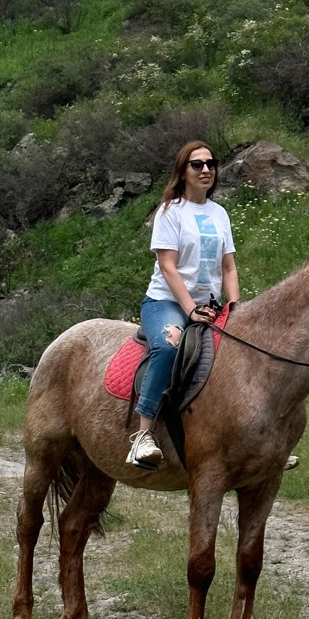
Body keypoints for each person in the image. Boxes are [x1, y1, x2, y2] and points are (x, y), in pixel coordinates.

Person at [126, 141, 239, 470]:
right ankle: (143, 435)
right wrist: (190, 309)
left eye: (211, 164)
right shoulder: (170, 212)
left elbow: (229, 267)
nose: (206, 170)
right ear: (183, 172)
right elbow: (168, 267)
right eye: (197, 165)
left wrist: (234, 307)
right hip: (166, 302)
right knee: (168, 346)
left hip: (211, 307)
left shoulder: (220, 214)